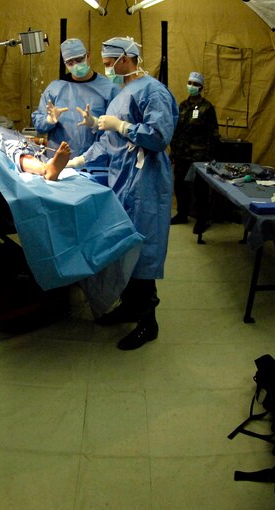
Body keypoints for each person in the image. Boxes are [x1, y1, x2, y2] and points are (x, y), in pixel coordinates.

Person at [69, 37, 179, 350]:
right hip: (123, 181)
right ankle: (130, 307)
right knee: (124, 248)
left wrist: (122, 126)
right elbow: (109, 142)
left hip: (145, 183)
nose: (106, 68)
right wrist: (82, 157)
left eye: (108, 62)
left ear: (127, 59)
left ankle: (149, 323)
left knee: (141, 251)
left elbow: (158, 136)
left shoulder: (152, 90)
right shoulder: (122, 93)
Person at [31, 38, 120, 159]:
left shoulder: (109, 89)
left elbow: (116, 130)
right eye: (70, 63)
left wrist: (95, 123)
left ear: (88, 55)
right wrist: (49, 120)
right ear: (65, 63)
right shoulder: (55, 89)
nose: (76, 66)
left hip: (96, 161)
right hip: (59, 162)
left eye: (79, 60)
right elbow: (39, 125)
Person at [171, 71, 219, 229]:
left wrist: (209, 156)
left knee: (200, 189)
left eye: (195, 84)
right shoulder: (183, 105)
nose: (191, 86)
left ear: (201, 87)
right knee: (180, 185)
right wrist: (174, 151)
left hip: (199, 156)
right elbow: (177, 130)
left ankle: (202, 219)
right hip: (182, 154)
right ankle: (182, 213)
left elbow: (213, 134)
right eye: (190, 83)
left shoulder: (207, 108)